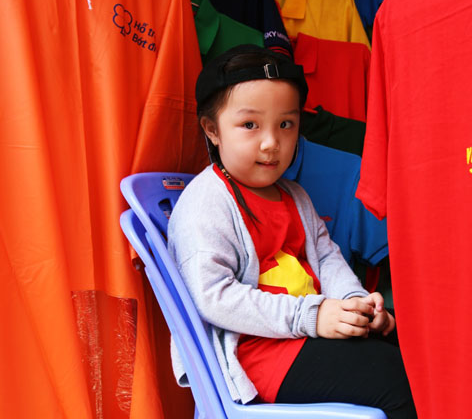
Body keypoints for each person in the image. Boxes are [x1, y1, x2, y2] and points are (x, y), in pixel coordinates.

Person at [167, 44, 416, 418]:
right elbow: (214, 297)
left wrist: (355, 303)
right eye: (250, 125)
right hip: (257, 354)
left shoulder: (294, 195)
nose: (271, 143)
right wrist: (312, 316)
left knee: (417, 349)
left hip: (304, 333)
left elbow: (328, 259)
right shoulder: (207, 202)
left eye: (286, 124)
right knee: (397, 381)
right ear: (212, 130)